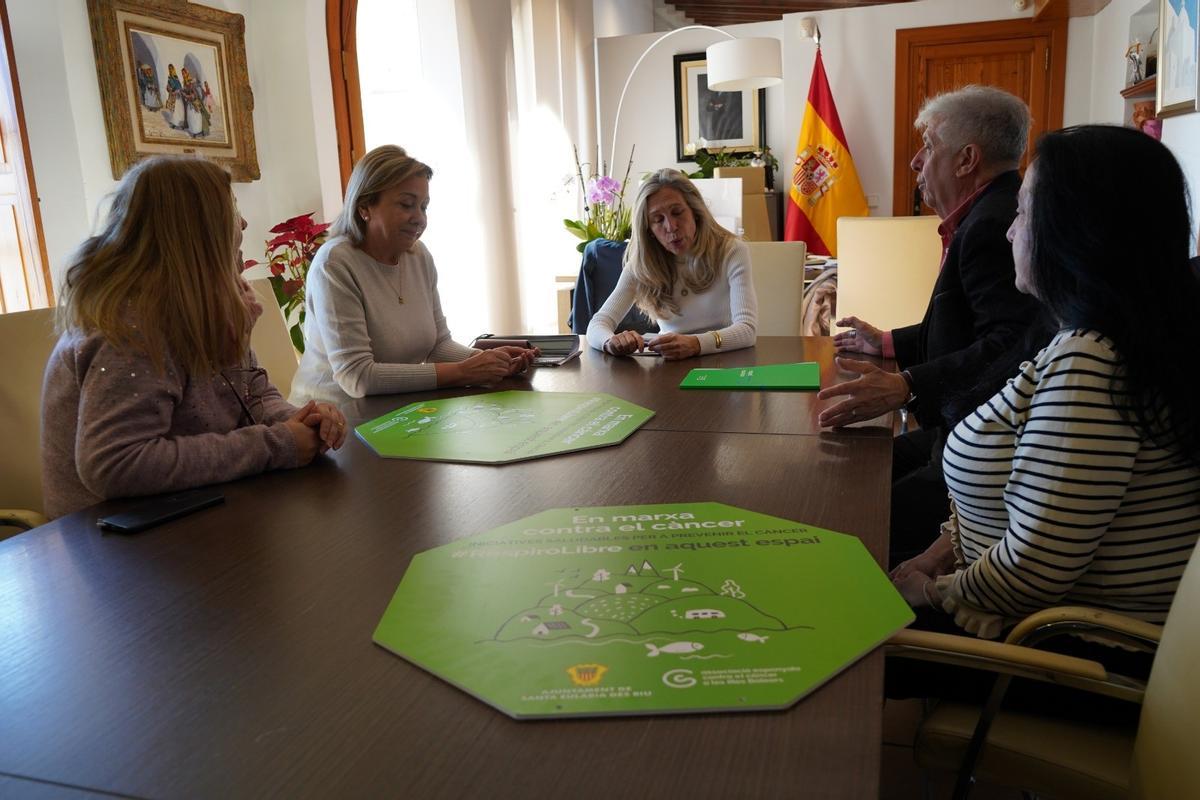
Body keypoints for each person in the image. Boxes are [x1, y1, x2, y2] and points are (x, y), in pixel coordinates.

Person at [888, 125, 1200, 713]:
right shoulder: (1111, 337)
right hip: (1045, 629)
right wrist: (939, 551)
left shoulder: (1094, 360)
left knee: (816, 636)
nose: (1008, 228)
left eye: (1024, 210)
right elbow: (1019, 503)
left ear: (1075, 231)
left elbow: (1034, 569)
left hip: (1067, 653)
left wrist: (931, 590)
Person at [41, 156, 347, 520]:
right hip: (118, 544)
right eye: (231, 209)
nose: (244, 222)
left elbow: (253, 392)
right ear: (193, 230)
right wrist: (278, 444)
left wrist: (300, 419)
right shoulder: (128, 326)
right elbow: (115, 464)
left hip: (197, 507)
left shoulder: (208, 303)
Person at [816, 85, 1044, 564]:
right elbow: (960, 326)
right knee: (846, 466)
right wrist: (888, 342)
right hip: (953, 432)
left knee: (840, 511)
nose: (917, 162)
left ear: (966, 159)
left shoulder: (990, 227)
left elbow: (1009, 346)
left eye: (929, 147)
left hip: (974, 456)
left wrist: (906, 385)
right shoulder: (985, 214)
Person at [289, 145, 537, 403]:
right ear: (365, 207)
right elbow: (357, 377)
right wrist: (464, 372)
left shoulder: (418, 256)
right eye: (407, 204)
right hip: (331, 421)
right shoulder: (335, 263)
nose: (419, 218)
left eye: (424, 207)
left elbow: (438, 345)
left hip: (396, 408)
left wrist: (488, 361)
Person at [585, 168, 757, 360]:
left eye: (677, 212)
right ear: (648, 229)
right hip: (669, 365)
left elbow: (747, 330)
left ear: (695, 212)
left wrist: (696, 344)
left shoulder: (731, 250)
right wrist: (611, 342)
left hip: (725, 362)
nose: (671, 226)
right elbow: (598, 323)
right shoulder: (642, 263)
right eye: (658, 220)